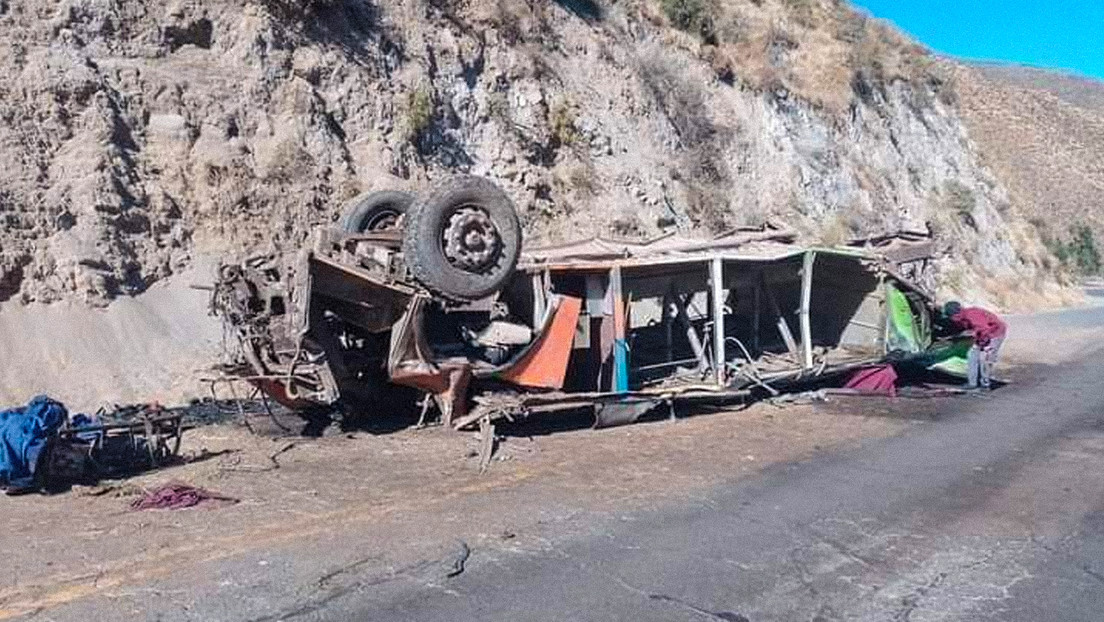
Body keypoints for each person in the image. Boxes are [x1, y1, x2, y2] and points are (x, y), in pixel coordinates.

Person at [943, 301, 1007, 390]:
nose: (951, 319)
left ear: (956, 315)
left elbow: (985, 329)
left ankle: (985, 384)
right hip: (982, 334)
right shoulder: (963, 318)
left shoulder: (972, 315)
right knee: (972, 355)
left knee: (985, 359)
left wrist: (982, 343)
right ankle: (972, 383)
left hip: (995, 333)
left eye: (951, 317)